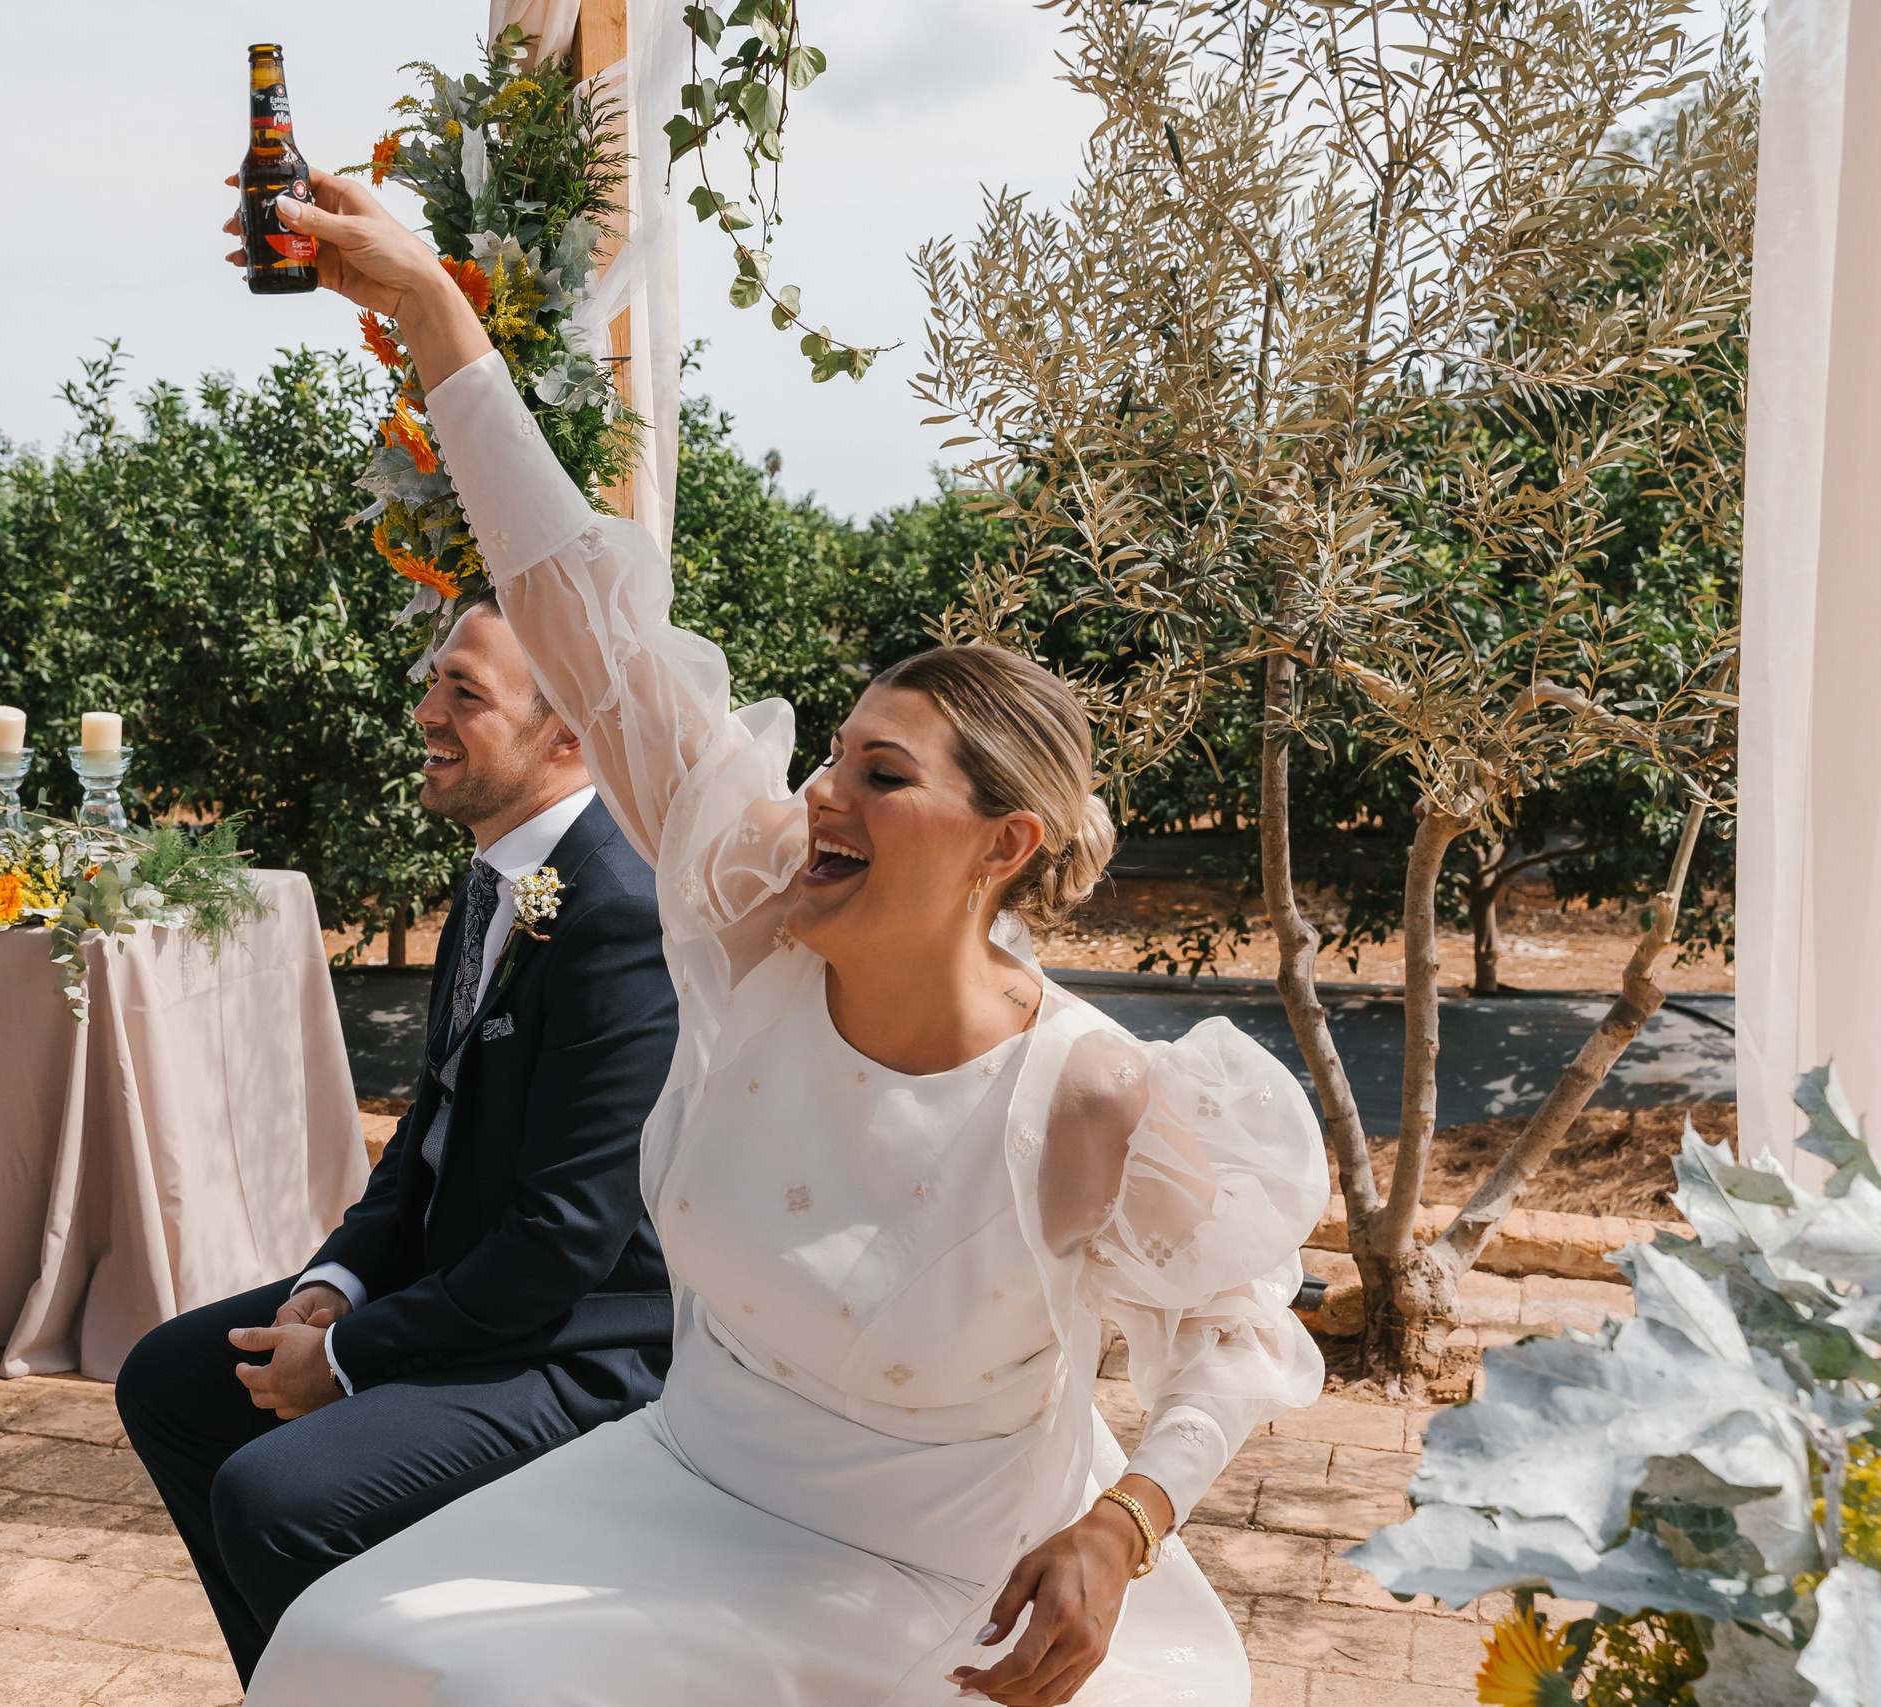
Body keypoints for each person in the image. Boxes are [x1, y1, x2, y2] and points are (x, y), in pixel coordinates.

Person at [236, 174, 1329, 1707]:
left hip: (936, 1577)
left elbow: (1237, 1335)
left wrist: (1123, 1524)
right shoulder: (756, 919)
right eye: (836, 757)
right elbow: (576, 613)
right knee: (357, 1643)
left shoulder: (1094, 1099)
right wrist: (431, 310)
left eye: (886, 776)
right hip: (680, 1487)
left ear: (1003, 846)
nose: (823, 793)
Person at [113, 587, 678, 1686]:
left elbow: (566, 1237)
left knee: (275, 1499)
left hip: (585, 1345)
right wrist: (338, 1281)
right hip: (470, 1279)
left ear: (567, 733)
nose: (424, 709)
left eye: (463, 692)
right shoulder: (510, 875)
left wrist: (344, 1360)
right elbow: (433, 1121)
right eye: (433, 678)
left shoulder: (619, 911)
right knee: (171, 1379)